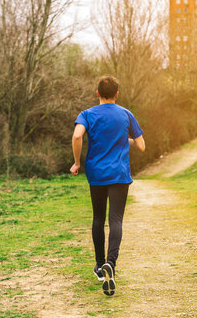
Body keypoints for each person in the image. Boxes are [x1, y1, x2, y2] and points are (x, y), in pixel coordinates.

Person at [70, 75, 145, 296]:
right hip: (120, 174)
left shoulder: (87, 114)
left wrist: (76, 163)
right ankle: (111, 263)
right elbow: (141, 145)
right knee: (116, 220)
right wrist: (125, 139)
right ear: (117, 94)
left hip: (97, 174)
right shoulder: (126, 114)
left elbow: (77, 136)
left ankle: (100, 266)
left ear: (97, 93)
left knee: (98, 219)